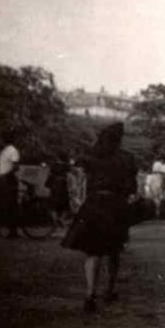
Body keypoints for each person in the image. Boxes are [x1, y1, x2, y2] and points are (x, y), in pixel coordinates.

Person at [61, 123, 139, 313]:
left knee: (93, 252)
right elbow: (132, 188)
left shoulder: (92, 155)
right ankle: (110, 290)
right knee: (113, 251)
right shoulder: (127, 158)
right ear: (120, 138)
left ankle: (90, 294)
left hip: (94, 204)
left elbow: (78, 172)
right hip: (115, 206)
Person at [0, 138, 24, 238]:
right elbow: (11, 166)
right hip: (6, 179)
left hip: (6, 179)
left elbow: (12, 166)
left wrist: (3, 175)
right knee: (9, 204)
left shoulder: (8, 151)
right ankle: (11, 231)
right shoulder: (9, 151)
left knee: (8, 204)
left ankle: (12, 231)